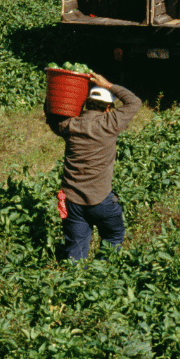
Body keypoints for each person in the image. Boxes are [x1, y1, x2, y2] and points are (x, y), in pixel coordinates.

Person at [44, 73, 141, 260]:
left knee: (76, 251)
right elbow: (134, 102)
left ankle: (76, 282)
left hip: (72, 200)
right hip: (100, 199)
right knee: (113, 235)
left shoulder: (70, 125)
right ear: (108, 108)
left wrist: (53, 91)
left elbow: (50, 114)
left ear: (87, 104)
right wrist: (109, 84)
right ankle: (101, 273)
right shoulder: (109, 124)